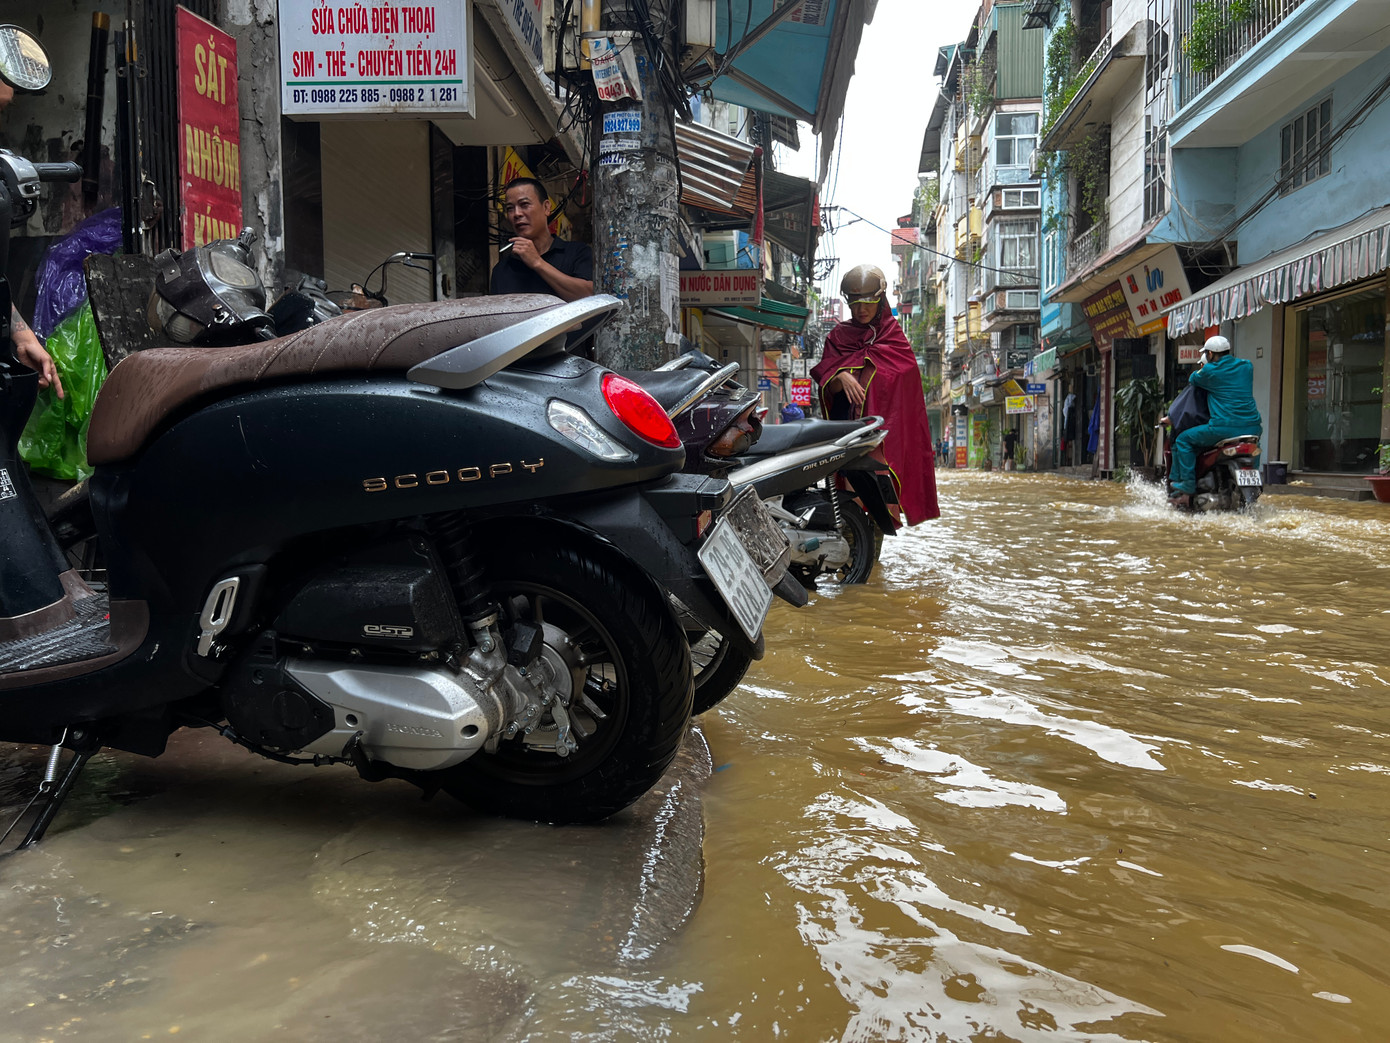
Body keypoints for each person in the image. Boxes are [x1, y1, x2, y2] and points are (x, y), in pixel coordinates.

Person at [810, 264, 939, 525]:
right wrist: (841, 375)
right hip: (847, 434)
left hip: (884, 438)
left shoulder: (895, 338)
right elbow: (827, 386)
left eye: (869, 301)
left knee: (878, 507)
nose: (861, 309)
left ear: (881, 299)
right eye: (855, 302)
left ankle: (871, 553)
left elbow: (905, 390)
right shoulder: (837, 337)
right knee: (847, 507)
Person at [1164, 334, 1262, 508]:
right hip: (1253, 426)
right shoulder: (1247, 366)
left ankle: (1187, 483)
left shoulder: (1209, 373)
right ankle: (1254, 474)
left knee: (1183, 439)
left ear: (1209, 354)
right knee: (1252, 450)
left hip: (1224, 427)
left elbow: (1193, 379)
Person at [489, 177, 593, 302]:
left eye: (524, 204)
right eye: (510, 208)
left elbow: (590, 298)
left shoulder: (577, 253)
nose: (517, 214)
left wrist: (538, 263)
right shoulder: (502, 270)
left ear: (546, 208)